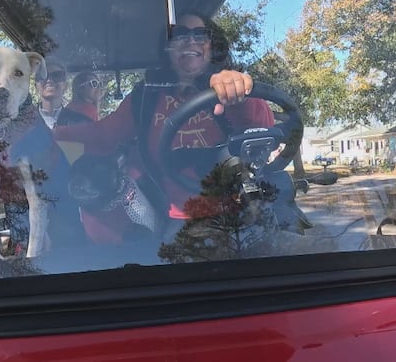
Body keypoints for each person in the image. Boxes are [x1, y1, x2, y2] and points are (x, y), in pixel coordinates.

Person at [54, 12, 274, 240]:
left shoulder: (229, 87)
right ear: (167, 49)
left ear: (212, 45)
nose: (190, 40)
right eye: (179, 35)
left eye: (200, 34)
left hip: (241, 208)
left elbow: (264, 127)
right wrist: (53, 133)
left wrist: (238, 95)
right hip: (178, 220)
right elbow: (102, 135)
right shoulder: (145, 98)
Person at [36, 61, 93, 128]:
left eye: (56, 75)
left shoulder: (84, 124)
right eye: (43, 76)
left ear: (66, 86)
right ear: (36, 86)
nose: (49, 80)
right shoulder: (22, 124)